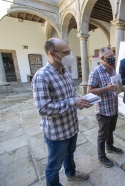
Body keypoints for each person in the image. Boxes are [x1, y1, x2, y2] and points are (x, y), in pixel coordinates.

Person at [32, 38, 91, 186]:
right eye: (66, 53)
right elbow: (43, 108)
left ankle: (71, 173)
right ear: (52, 53)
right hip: (57, 133)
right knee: (53, 166)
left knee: (69, 154)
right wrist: (72, 102)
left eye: (70, 52)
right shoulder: (42, 76)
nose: (70, 55)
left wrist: (82, 101)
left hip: (71, 126)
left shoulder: (65, 72)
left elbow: (72, 95)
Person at [87, 47, 123, 168]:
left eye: (113, 55)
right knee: (102, 134)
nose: (113, 58)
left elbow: (117, 87)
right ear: (102, 58)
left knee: (110, 130)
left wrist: (121, 88)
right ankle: (101, 156)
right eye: (110, 56)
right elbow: (90, 90)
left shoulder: (113, 70)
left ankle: (110, 146)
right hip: (102, 110)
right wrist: (106, 88)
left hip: (113, 107)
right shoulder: (96, 72)